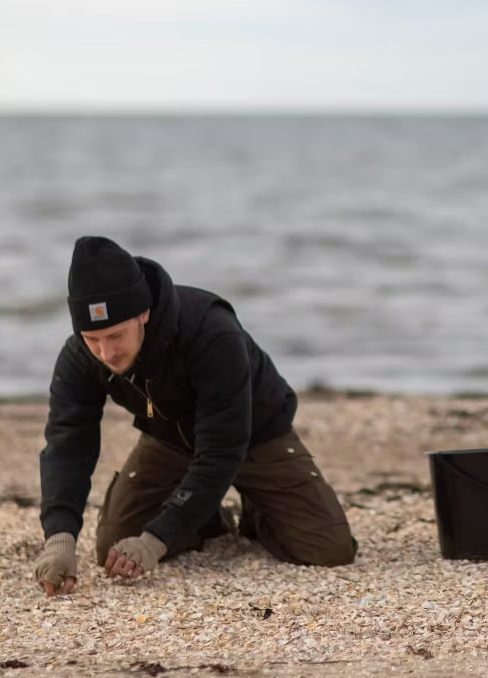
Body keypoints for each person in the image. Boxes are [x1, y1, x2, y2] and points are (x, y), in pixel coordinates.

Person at [34, 236, 356, 595]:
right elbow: (67, 446)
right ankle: (207, 518)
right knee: (115, 542)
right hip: (169, 439)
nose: (105, 352)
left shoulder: (211, 331)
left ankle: (257, 508)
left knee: (330, 551)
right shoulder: (80, 356)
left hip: (254, 436)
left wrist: (156, 540)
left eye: (116, 335)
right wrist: (59, 539)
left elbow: (222, 450)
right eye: (92, 339)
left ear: (143, 313)